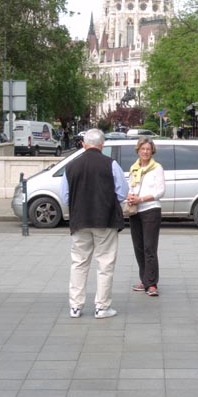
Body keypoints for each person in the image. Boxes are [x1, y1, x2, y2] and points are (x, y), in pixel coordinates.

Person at [61, 128, 129, 319]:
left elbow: (65, 197)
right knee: (105, 264)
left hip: (79, 220)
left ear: (83, 144)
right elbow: (122, 193)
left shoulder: (71, 166)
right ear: (102, 145)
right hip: (105, 220)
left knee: (79, 263)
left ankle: (75, 306)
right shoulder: (111, 164)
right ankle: (102, 307)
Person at [127, 136, 165, 296]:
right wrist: (130, 196)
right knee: (139, 248)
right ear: (138, 150)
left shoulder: (157, 168)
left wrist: (141, 198)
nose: (145, 152)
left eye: (148, 149)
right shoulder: (134, 168)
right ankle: (144, 279)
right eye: (143, 149)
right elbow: (131, 186)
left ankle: (152, 284)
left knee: (150, 248)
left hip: (150, 210)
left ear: (152, 151)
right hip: (135, 211)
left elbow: (160, 191)